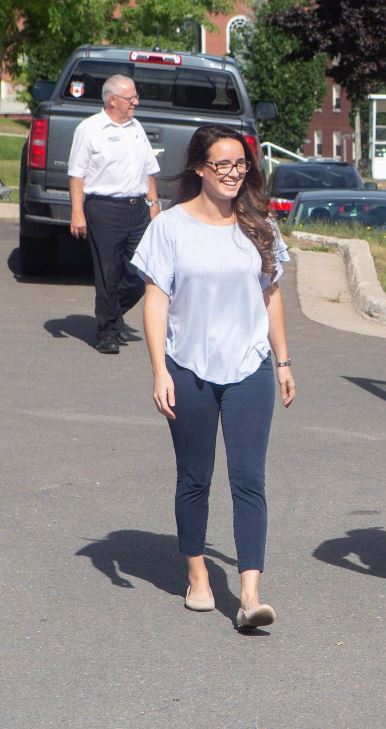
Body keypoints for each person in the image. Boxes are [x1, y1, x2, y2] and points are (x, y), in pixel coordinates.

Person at [131, 124, 295, 631]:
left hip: (249, 367)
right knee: (195, 477)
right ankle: (198, 575)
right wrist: (159, 370)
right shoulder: (170, 227)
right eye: (222, 164)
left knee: (249, 479)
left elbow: (271, 296)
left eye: (240, 164)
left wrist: (283, 362)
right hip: (188, 367)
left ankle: (249, 595)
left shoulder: (259, 224)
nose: (232, 173)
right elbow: (156, 301)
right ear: (200, 167)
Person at [68, 74, 161, 354]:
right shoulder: (90, 129)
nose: (136, 102)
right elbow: (76, 174)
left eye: (135, 96)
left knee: (143, 270)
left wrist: (154, 205)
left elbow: (148, 169)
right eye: (131, 98)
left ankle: (112, 313)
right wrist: (77, 211)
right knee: (108, 273)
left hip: (138, 209)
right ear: (112, 100)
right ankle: (107, 331)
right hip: (104, 209)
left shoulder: (136, 127)